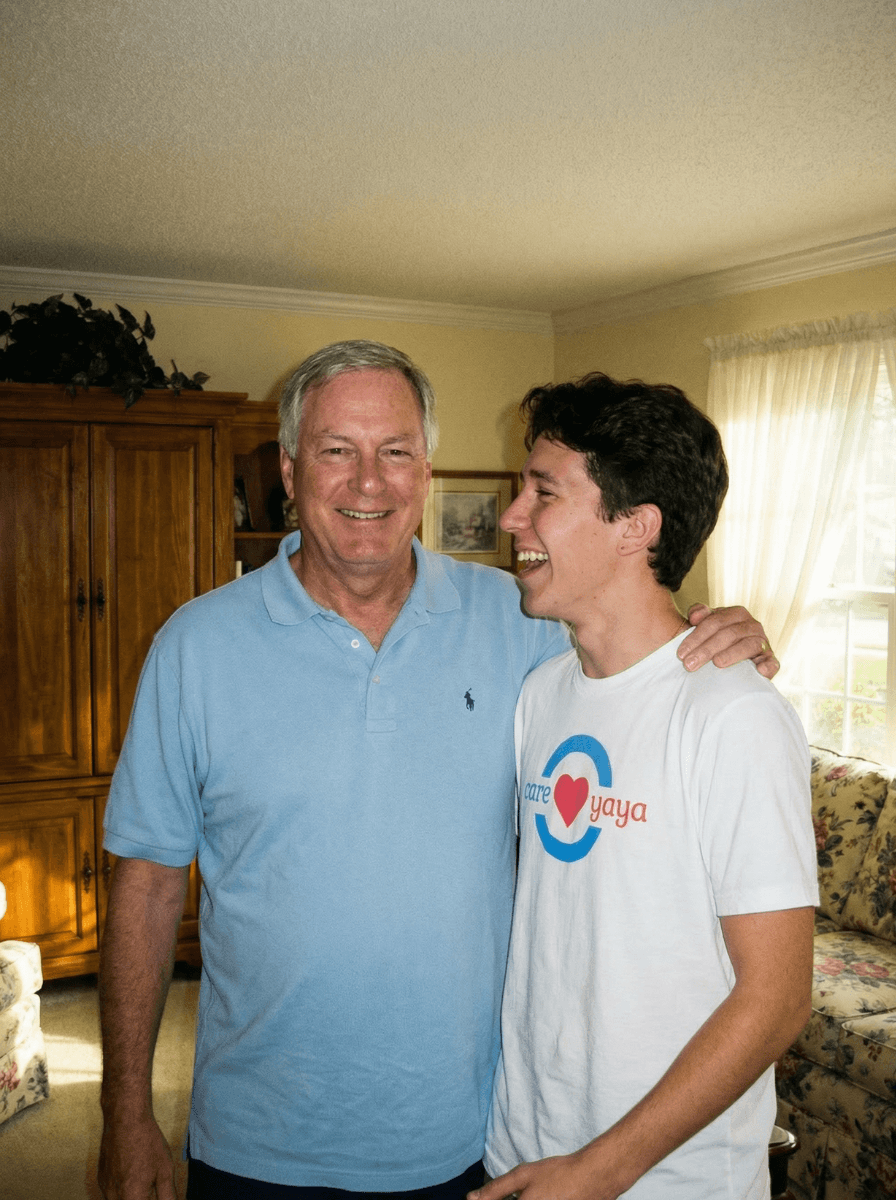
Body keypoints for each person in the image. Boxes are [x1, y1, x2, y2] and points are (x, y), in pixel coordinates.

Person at [97, 341, 778, 1200]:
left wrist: (724, 633)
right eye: (337, 450)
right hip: (256, 1140)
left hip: (469, 1138)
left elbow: (632, 643)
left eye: (396, 453)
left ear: (426, 468)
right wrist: (125, 1111)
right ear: (288, 466)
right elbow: (149, 886)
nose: (368, 483)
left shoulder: (523, 626)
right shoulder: (193, 648)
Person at [474, 373, 818, 1200]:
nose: (511, 517)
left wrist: (601, 1171)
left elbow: (777, 999)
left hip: (663, 1179)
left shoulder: (734, 714)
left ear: (636, 527)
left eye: (542, 493)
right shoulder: (542, 694)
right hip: (524, 1149)